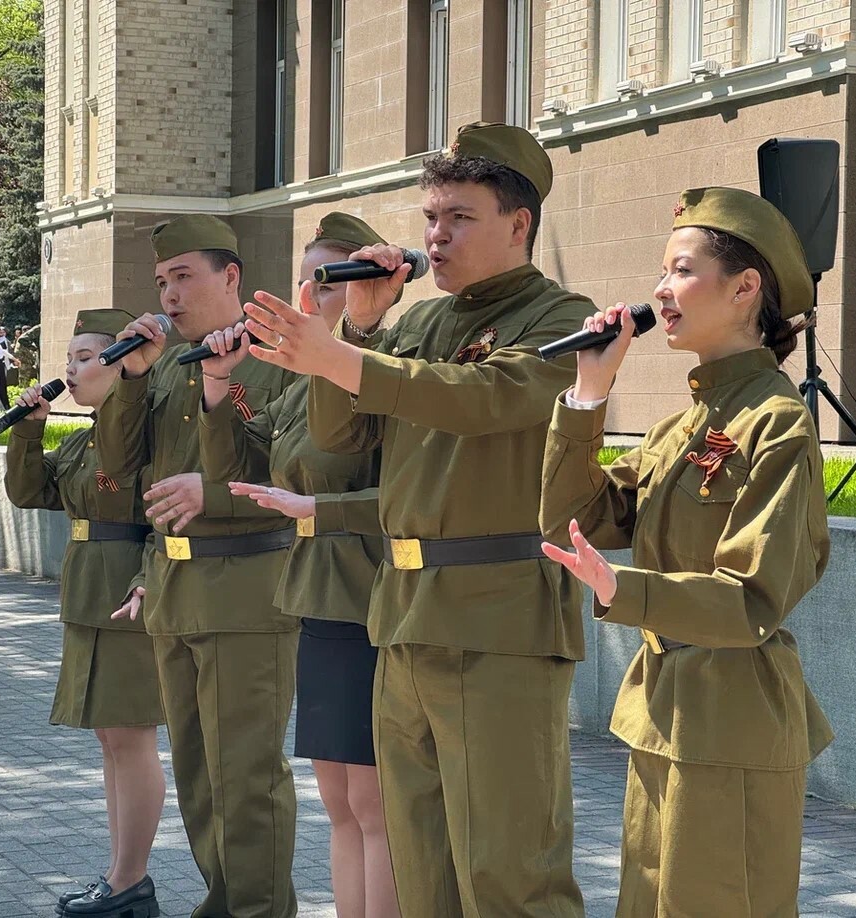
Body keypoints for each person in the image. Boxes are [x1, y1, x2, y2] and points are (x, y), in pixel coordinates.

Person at [237, 122, 592, 917]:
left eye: (459, 217)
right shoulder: (422, 324)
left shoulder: (560, 315)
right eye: (431, 217)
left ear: (518, 223)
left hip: (498, 621)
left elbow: (485, 400)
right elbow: (339, 437)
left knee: (509, 868)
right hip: (402, 618)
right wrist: (355, 329)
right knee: (421, 863)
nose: (435, 235)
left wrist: (343, 357)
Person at [538, 186, 835, 917]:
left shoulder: (777, 424)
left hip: (731, 721)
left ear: (743, 290)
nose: (659, 293)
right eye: (661, 275)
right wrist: (589, 390)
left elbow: (753, 598)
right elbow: (576, 517)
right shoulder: (684, 425)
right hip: (664, 715)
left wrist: (624, 590)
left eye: (679, 271)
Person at [96, 214, 299, 918]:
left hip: (246, 593)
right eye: (161, 281)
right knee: (200, 780)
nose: (169, 294)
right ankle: (225, 904)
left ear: (231, 276)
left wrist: (210, 493)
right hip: (176, 590)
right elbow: (117, 472)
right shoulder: (165, 368)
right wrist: (129, 381)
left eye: (183, 275)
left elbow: (289, 474)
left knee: (246, 782)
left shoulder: (273, 354)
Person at [196, 213, 397, 918]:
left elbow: (418, 495)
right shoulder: (295, 379)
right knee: (340, 801)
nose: (313, 293)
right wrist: (220, 385)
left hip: (376, 597)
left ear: (372, 286)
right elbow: (240, 466)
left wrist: (320, 508)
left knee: (376, 804)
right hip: (318, 597)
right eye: (307, 278)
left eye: (332, 277)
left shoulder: (388, 370)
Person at [5, 308, 166, 918]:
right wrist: (28, 429)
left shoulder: (144, 435)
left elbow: (161, 516)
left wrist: (151, 578)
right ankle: (119, 875)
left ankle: (131, 881)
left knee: (131, 736)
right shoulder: (81, 439)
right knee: (110, 739)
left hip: (127, 593)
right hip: (86, 593)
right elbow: (30, 492)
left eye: (82, 357)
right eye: (66, 358)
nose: (68, 370)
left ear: (119, 362)